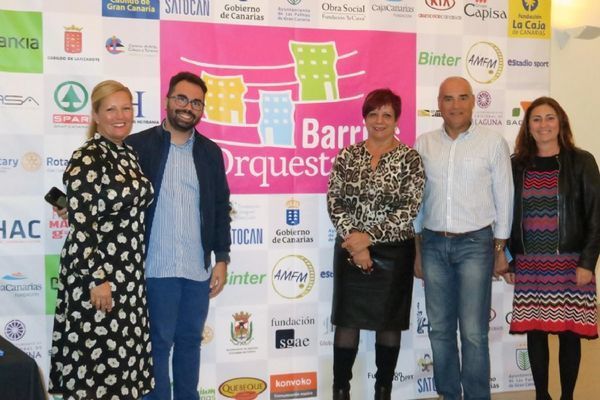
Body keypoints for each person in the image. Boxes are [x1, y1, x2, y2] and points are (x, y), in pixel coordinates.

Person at [125, 71, 231, 400]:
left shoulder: (210, 152)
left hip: (196, 270)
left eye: (196, 102)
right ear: (167, 100)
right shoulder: (138, 146)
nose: (188, 107)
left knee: (189, 343)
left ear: (202, 109)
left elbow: (220, 205)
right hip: (154, 268)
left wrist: (222, 257)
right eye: (182, 99)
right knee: (156, 345)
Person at [49, 80, 154, 399]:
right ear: (95, 115)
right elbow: (82, 224)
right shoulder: (87, 156)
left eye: (126, 108)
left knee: (122, 365)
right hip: (97, 276)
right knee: (95, 367)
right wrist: (97, 279)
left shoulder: (128, 154)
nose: (120, 116)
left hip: (128, 276)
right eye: (110, 109)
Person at [413, 76, 513, 400]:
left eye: (462, 98)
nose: (455, 105)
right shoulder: (424, 143)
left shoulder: (493, 142)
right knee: (440, 330)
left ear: (473, 101)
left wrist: (500, 248)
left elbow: (504, 197)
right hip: (433, 243)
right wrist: (417, 248)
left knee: (473, 332)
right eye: (448, 98)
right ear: (438, 104)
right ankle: (449, 394)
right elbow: (417, 201)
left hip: (475, 245)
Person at [327, 88, 425, 400]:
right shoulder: (347, 155)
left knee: (389, 324)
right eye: (373, 114)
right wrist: (357, 245)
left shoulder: (410, 159)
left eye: (386, 114)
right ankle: (340, 390)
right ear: (365, 118)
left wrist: (367, 238)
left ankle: (383, 391)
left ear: (397, 119)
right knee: (347, 322)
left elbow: (409, 208)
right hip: (350, 250)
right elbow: (334, 202)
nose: (379, 121)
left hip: (394, 254)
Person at [503, 97, 600, 400]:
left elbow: (596, 215)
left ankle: (567, 396)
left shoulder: (581, 161)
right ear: (528, 126)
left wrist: (588, 262)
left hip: (571, 263)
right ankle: (541, 395)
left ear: (561, 123)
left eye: (549, 118)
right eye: (536, 119)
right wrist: (509, 259)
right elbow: (506, 215)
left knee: (570, 334)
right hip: (530, 264)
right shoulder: (516, 165)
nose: (543, 125)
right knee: (536, 333)